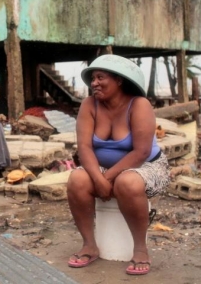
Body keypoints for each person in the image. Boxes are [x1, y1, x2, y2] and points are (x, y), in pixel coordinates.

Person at [66, 54, 169, 276]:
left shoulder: (139, 105)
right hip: (102, 169)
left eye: (100, 77)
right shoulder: (89, 105)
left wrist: (107, 179)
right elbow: (84, 148)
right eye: (93, 78)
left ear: (119, 80)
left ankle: (140, 249)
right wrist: (98, 179)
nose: (94, 83)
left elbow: (141, 151)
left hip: (147, 166)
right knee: (77, 179)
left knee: (128, 182)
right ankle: (89, 245)